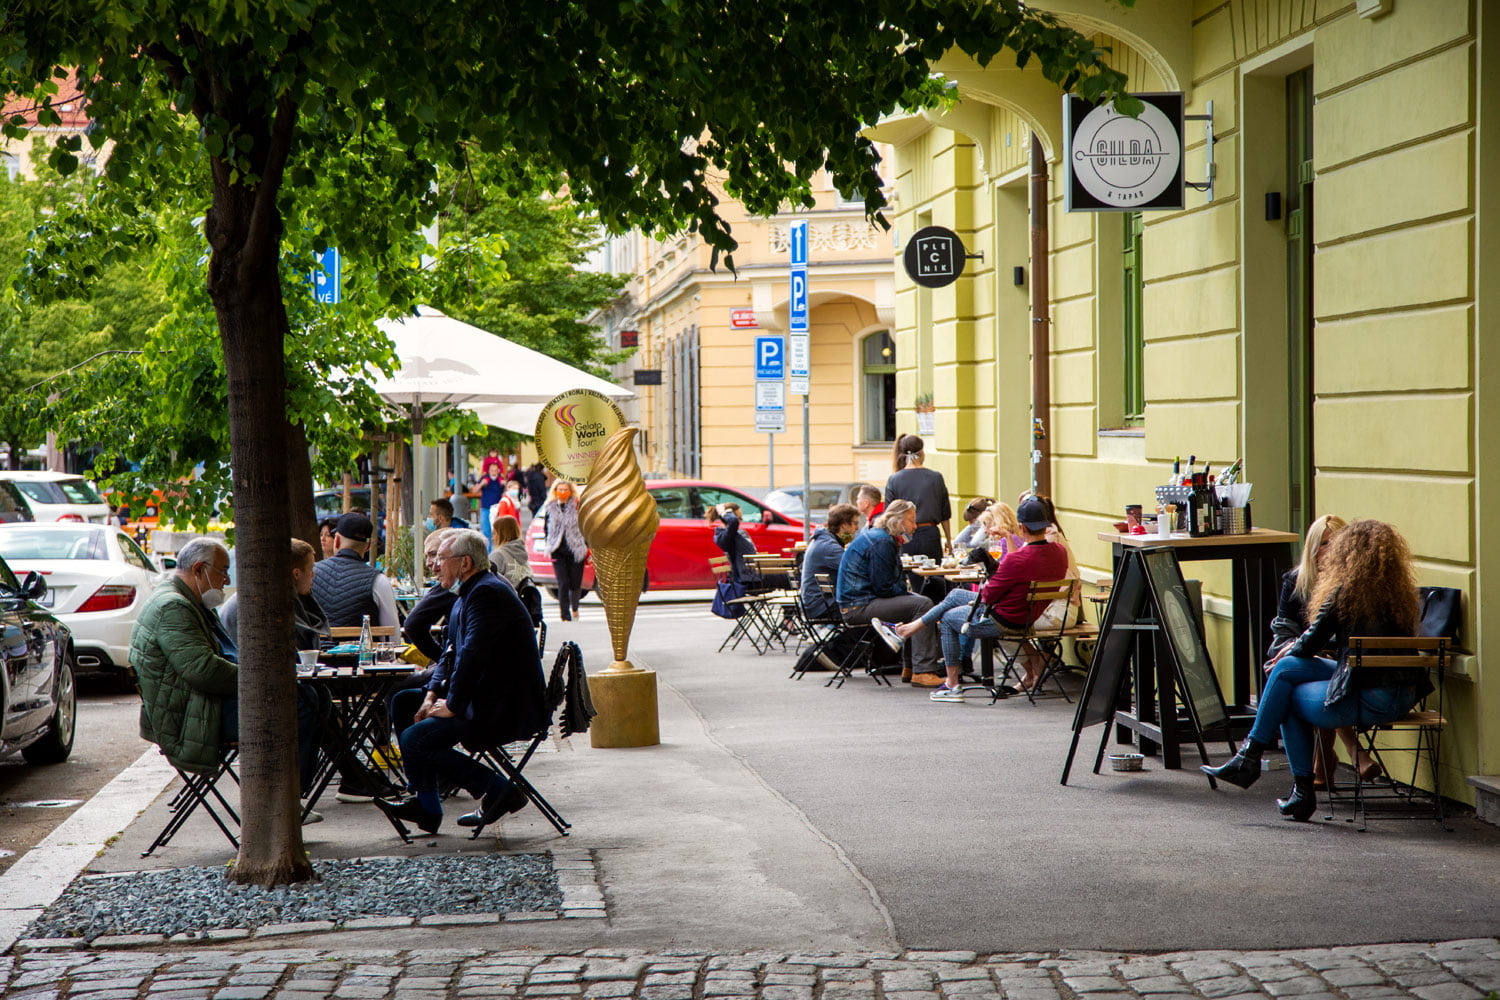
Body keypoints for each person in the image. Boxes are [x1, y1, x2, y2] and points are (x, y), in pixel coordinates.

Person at [1200, 519, 1430, 822]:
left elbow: (1308, 645)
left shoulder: (1343, 593)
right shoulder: (1398, 595)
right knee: (1287, 671)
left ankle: (1285, 780)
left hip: (1372, 697)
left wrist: (1286, 652)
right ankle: (1258, 763)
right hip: (1402, 694)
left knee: (1287, 691)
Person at [130, 538, 329, 820]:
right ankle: (285, 800)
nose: (226, 580)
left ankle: (292, 794)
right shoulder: (173, 607)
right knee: (303, 701)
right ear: (199, 569)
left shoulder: (189, 601)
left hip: (200, 705)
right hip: (192, 717)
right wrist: (266, 680)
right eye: (223, 571)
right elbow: (203, 671)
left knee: (315, 695)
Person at [375, 529, 548, 835]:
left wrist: (452, 705)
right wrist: (430, 695)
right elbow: (450, 656)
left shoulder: (486, 592)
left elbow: (473, 656)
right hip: (485, 698)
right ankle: (426, 803)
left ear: (465, 562)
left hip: (502, 708)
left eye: (441, 558)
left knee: (417, 739)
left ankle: (499, 790)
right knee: (405, 703)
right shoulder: (468, 592)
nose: (434, 565)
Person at [897, 496, 1068, 702]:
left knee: (950, 618)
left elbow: (987, 596)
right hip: (1027, 615)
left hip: (1003, 620)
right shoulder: (1059, 552)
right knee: (955, 595)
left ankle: (952, 685)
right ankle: (911, 628)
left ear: (1021, 527)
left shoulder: (1017, 560)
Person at [1264, 514, 1380, 790]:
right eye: (1323, 543)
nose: (1327, 550)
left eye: (1335, 543)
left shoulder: (1353, 586)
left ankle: (1317, 763)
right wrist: (1297, 649)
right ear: (1312, 548)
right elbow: (1283, 632)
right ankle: (1350, 753)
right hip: (1308, 660)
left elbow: (1353, 638)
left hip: (1345, 667)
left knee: (1304, 680)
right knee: (1299, 672)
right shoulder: (1295, 581)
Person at [836, 500, 943, 686]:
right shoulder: (883, 541)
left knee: (918, 603)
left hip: (858, 602)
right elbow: (884, 587)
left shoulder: (881, 537)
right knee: (923, 605)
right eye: (911, 521)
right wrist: (905, 592)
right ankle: (923, 671)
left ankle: (910, 667)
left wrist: (905, 592)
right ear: (898, 521)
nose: (915, 526)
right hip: (859, 606)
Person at [884, 434, 951, 597]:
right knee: (935, 582)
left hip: (905, 537)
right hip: (930, 535)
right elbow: (945, 513)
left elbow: (889, 515)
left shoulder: (894, 479)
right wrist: (948, 540)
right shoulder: (935, 477)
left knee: (912, 583)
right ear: (922, 452)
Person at [310, 512, 401, 630]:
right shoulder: (378, 580)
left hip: (320, 647)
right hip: (363, 648)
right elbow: (392, 633)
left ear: (336, 540)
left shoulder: (311, 573)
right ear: (367, 546)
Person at [401, 528, 457, 664]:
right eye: (426, 556)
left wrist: (443, 661)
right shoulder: (491, 579)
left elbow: (412, 624)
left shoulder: (453, 585)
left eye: (434, 554)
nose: (428, 563)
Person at [800, 503, 860, 622]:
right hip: (821, 606)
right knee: (870, 607)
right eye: (855, 523)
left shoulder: (823, 541)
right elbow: (857, 571)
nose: (857, 528)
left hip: (816, 603)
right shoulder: (830, 548)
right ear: (843, 525)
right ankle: (846, 641)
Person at [543, 480, 587, 621]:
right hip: (557, 549)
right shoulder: (550, 507)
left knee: (575, 582)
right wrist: (548, 542)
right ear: (555, 491)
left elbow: (585, 525)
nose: (562, 492)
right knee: (563, 582)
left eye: (565, 489)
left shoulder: (577, 505)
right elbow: (546, 527)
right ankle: (565, 614)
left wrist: (586, 544)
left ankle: (574, 607)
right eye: (559, 489)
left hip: (575, 548)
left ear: (570, 491)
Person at [708, 502, 759, 586]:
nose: (741, 521)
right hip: (746, 578)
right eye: (739, 518)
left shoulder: (740, 532)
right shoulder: (722, 536)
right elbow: (733, 521)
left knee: (786, 572)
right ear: (727, 518)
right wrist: (723, 512)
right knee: (786, 576)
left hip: (754, 573)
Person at [488, 514, 532, 590]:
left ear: (501, 535)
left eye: (495, 534)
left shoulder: (498, 555)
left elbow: (488, 582)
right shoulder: (522, 552)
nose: (493, 538)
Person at [476, 456, 506, 546]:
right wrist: (481, 484)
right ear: (488, 471)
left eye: (495, 470)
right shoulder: (485, 479)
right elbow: (475, 490)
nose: (493, 472)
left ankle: (499, 552)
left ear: (498, 471)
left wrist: (505, 486)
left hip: (497, 509)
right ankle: (487, 554)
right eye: (491, 470)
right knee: (486, 532)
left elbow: (506, 493)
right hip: (485, 508)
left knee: (499, 532)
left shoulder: (500, 480)